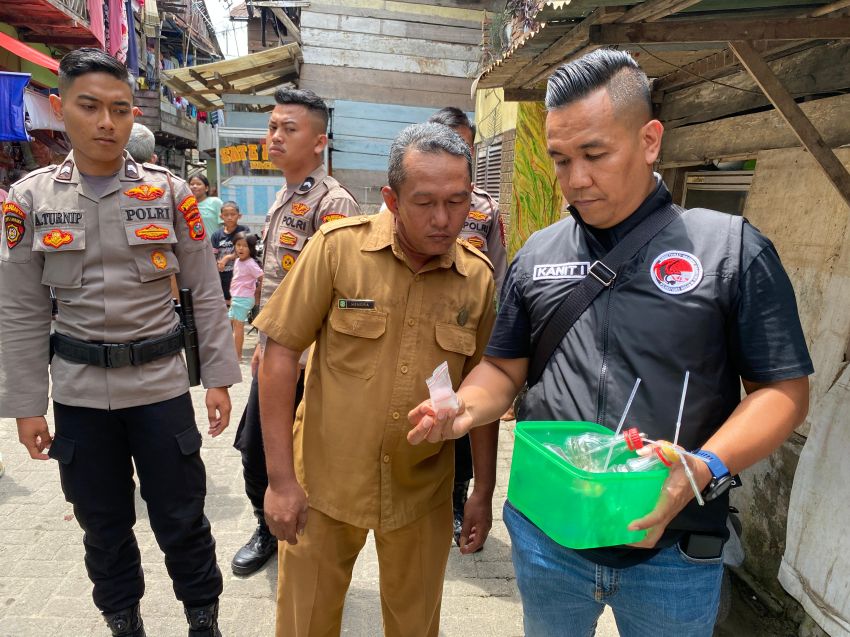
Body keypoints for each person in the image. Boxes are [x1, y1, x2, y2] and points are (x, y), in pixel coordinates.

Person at [407, 49, 813, 637]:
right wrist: (462, 407)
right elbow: (503, 369)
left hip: (673, 548)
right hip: (549, 537)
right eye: (561, 159)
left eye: (595, 154)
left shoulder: (731, 250)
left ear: (650, 141)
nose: (576, 179)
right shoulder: (537, 256)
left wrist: (702, 468)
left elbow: (782, 391)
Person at [0, 48, 241, 637]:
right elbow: (20, 309)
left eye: (120, 109)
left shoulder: (170, 192)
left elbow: (205, 292)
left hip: (160, 391)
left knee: (182, 518)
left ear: (134, 115)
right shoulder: (30, 200)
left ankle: (202, 620)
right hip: (80, 399)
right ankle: (123, 622)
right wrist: (28, 404)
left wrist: (217, 377)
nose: (107, 122)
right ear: (60, 109)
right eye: (90, 107)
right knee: (102, 525)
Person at [253, 121, 499, 637]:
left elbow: (483, 386)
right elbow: (278, 354)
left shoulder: (477, 279)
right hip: (323, 482)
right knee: (306, 623)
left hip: (422, 487)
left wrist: (481, 489)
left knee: (415, 625)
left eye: (457, 202)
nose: (442, 219)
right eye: (424, 202)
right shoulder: (337, 249)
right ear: (390, 197)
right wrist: (280, 481)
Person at [230, 87, 361, 577]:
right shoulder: (285, 196)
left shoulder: (334, 203)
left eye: (289, 128)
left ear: (320, 141)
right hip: (274, 356)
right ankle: (267, 529)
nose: (275, 137)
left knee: (303, 462)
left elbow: (341, 293)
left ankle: (307, 550)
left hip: (308, 367)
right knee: (256, 453)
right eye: (272, 127)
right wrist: (264, 347)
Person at [426, 106, 508, 548]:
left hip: (465, 331)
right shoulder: (416, 194)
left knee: (464, 420)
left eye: (464, 143)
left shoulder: (486, 209)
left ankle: (458, 505)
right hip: (422, 325)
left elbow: (499, 272)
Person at [228, 232, 263, 361]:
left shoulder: (250, 263)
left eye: (245, 246)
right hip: (237, 298)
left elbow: (262, 278)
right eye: (238, 245)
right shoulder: (238, 261)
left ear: (251, 249)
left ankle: (237, 356)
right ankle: (233, 353)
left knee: (238, 327)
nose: (241, 248)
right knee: (229, 324)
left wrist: (256, 292)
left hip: (244, 299)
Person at [210, 201, 250, 305]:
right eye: (226, 215)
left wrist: (228, 257)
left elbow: (246, 250)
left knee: (239, 299)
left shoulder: (244, 231)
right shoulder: (216, 235)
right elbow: (213, 254)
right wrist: (216, 264)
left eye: (233, 214)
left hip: (240, 272)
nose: (229, 217)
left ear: (239, 216)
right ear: (221, 216)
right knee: (225, 298)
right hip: (223, 274)